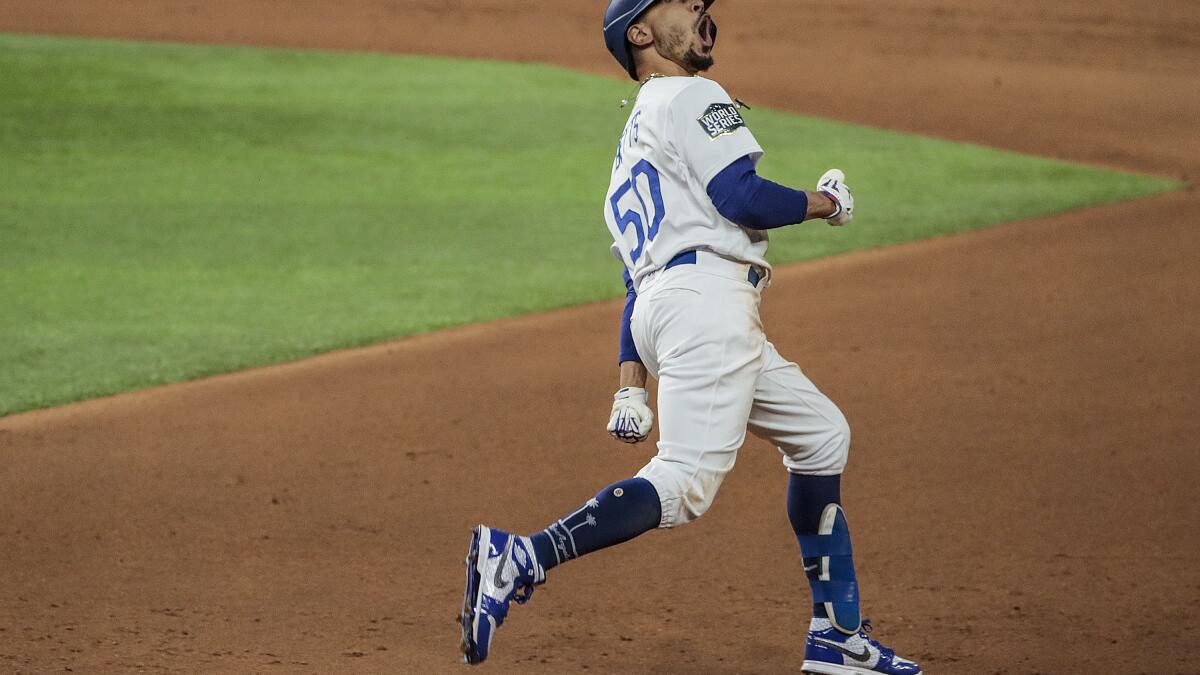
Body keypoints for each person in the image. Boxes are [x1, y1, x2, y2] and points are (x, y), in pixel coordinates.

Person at [460, 2, 923, 672]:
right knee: (683, 482)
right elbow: (743, 195)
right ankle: (521, 555)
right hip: (706, 309)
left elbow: (635, 282)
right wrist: (826, 204)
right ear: (640, 34)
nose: (701, 11)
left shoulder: (635, 138)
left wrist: (630, 381)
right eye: (681, 3)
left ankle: (835, 636)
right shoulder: (692, 94)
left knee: (821, 434)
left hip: (668, 308)